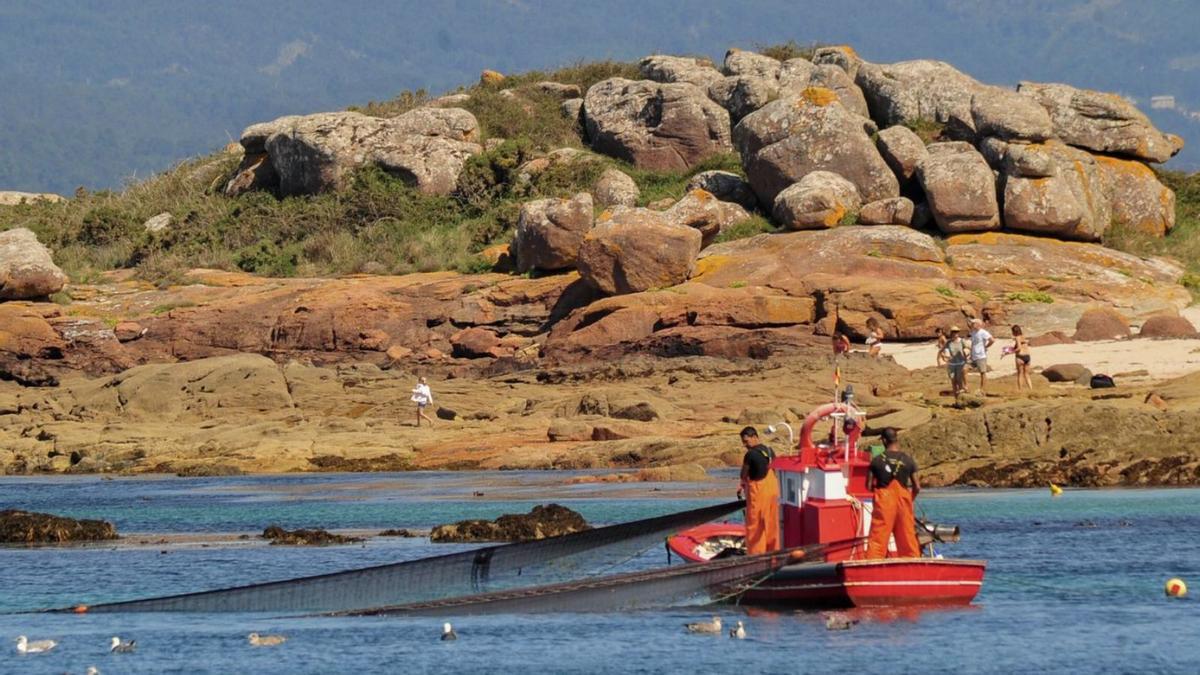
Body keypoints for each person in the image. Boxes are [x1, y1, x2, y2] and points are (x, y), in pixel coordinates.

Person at [865, 427, 921, 560]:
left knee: (878, 537)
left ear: (884, 440)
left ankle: (873, 564)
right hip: (904, 501)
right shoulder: (908, 460)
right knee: (907, 536)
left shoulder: (876, 461)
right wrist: (909, 499)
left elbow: (868, 486)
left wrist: (880, 495)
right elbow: (917, 487)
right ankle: (912, 563)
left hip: (884, 502)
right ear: (896, 439)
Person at [738, 426, 780, 555]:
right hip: (773, 491)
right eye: (743, 442)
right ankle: (774, 551)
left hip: (758, 492)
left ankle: (756, 554)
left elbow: (743, 474)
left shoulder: (750, 454)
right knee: (772, 523)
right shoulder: (769, 450)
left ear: (755, 437)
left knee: (755, 525)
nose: (745, 445)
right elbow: (775, 469)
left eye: (746, 441)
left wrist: (741, 485)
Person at [941, 325, 969, 396]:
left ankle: (961, 396)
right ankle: (956, 396)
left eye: (956, 332)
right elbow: (943, 351)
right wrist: (944, 357)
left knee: (959, 381)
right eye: (953, 332)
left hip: (960, 364)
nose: (955, 333)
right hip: (952, 365)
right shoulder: (948, 342)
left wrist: (966, 354)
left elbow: (968, 349)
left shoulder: (962, 341)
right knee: (953, 380)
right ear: (951, 333)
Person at [969, 318, 994, 394]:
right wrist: (970, 353)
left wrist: (986, 346)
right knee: (964, 369)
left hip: (981, 355)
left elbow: (992, 340)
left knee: (982, 373)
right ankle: (965, 387)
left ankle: (982, 389)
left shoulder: (983, 332)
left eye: (973, 323)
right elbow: (973, 344)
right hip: (973, 355)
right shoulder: (973, 332)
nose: (972, 324)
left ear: (978, 324)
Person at [1008, 324, 1033, 390]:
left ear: (1014, 332)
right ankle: (1031, 389)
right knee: (1027, 375)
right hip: (1027, 356)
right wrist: (1011, 326)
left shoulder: (1017, 338)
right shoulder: (1023, 336)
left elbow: (1019, 348)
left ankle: (1020, 390)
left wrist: (1010, 352)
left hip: (1020, 357)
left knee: (1020, 374)